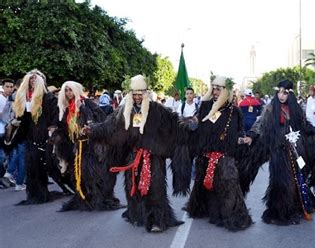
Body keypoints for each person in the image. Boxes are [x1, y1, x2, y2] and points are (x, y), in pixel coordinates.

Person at [84, 75, 191, 232]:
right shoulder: (123, 111)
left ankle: (157, 220)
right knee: (132, 187)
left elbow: (174, 121)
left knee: (155, 187)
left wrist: (188, 123)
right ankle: (138, 215)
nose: (137, 97)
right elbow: (109, 126)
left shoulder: (157, 109)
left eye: (140, 93)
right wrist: (92, 130)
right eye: (134, 94)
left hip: (153, 156)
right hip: (132, 157)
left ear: (146, 93)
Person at [240, 80, 315, 225]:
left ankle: (300, 205)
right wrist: (251, 136)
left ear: (290, 94)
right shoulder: (272, 108)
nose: (281, 95)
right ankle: (280, 212)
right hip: (278, 151)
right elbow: (260, 124)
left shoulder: (296, 109)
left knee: (298, 179)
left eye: (284, 93)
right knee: (281, 182)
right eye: (279, 92)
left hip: (295, 151)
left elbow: (305, 126)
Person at [185, 75, 252, 231]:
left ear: (225, 91)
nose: (215, 91)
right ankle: (206, 210)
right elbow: (198, 126)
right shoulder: (205, 107)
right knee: (204, 185)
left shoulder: (234, 111)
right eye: (213, 88)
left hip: (224, 156)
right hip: (206, 155)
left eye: (218, 89)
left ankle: (228, 214)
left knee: (227, 184)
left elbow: (239, 131)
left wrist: (243, 139)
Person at [53, 81, 122, 211]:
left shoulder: (86, 103)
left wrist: (83, 109)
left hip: (90, 146)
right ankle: (84, 199)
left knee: (92, 174)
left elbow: (100, 118)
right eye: (66, 90)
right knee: (77, 175)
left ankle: (98, 199)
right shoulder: (66, 107)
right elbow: (64, 127)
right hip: (76, 146)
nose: (69, 93)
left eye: (71, 90)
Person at [10, 69, 60, 204]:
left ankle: (43, 192)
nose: (33, 81)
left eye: (35, 79)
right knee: (31, 164)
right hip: (30, 134)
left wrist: (52, 128)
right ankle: (33, 193)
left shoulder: (48, 97)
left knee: (44, 165)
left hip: (43, 134)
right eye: (30, 79)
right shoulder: (25, 96)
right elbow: (22, 117)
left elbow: (54, 115)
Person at [0, 79, 14, 189]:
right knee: (2, 156)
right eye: (7, 86)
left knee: (7, 156)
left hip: (7, 132)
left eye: (11, 86)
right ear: (3, 87)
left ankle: (6, 178)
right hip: (1, 131)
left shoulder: (11, 99)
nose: (9, 89)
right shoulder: (0, 99)